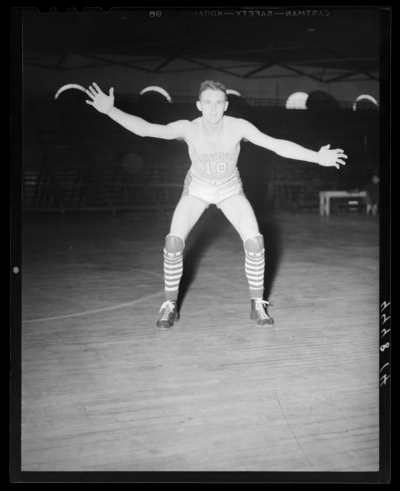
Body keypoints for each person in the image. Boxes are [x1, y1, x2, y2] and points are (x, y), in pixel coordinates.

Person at [85, 80, 347, 329]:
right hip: (197, 189)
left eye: (218, 102)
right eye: (207, 102)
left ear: (226, 105)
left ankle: (257, 304)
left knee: (255, 241)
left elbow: (276, 145)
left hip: (229, 189)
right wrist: (110, 110)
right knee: (173, 242)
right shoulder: (189, 128)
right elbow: (146, 129)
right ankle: (170, 305)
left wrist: (316, 157)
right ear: (199, 105)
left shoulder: (238, 127)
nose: (213, 108)